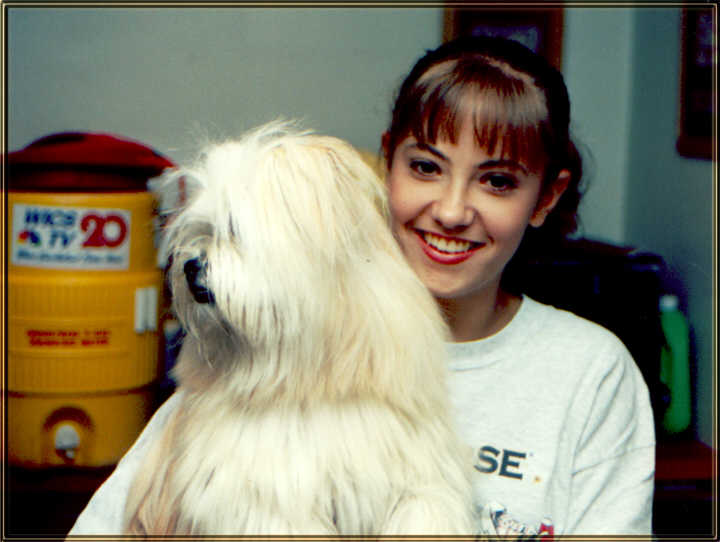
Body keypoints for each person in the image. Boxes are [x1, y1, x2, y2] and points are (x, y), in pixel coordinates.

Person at [68, 36, 654, 538]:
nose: (452, 211)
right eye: (425, 167)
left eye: (497, 181)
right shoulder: (259, 337)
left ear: (546, 197)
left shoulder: (589, 374)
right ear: (386, 163)